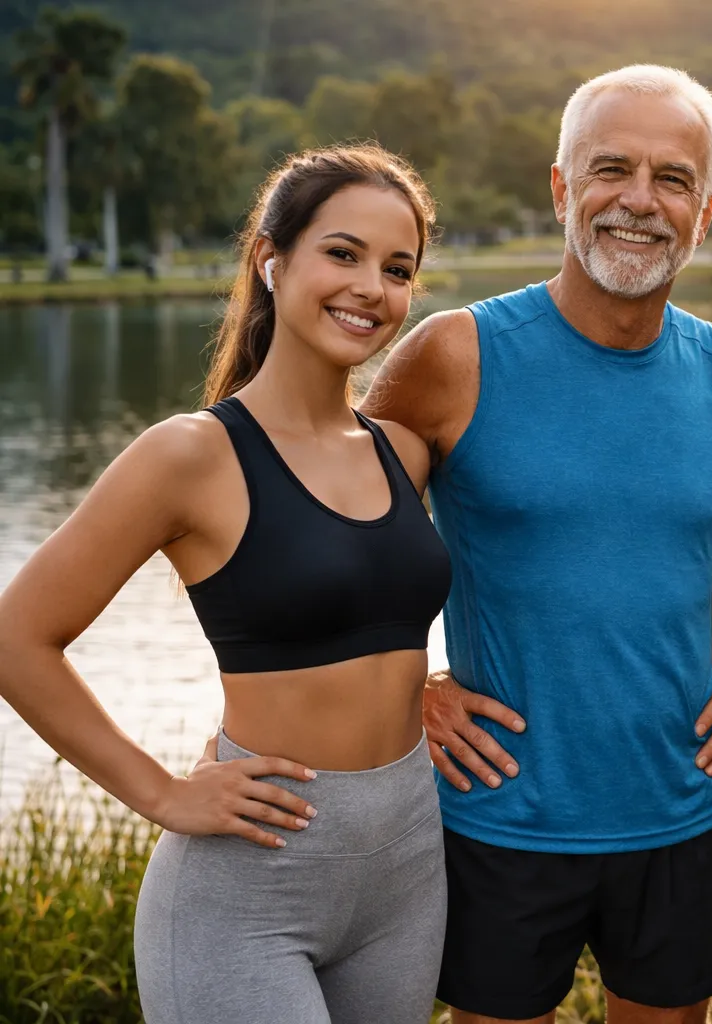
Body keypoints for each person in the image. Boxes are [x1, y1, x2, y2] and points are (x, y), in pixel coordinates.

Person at [360, 65, 712, 1024]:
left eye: (672, 178)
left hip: (675, 806)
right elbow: (341, 544)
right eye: (611, 169)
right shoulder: (449, 357)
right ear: (561, 187)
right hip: (502, 812)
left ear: (705, 209)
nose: (639, 201)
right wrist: (410, 689)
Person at [0, 145, 449, 1023]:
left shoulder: (405, 452)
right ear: (271, 259)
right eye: (343, 253)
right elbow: (17, 638)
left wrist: (440, 687)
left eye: (398, 270)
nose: (371, 288)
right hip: (249, 889)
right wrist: (161, 793)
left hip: (406, 870)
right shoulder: (190, 454)